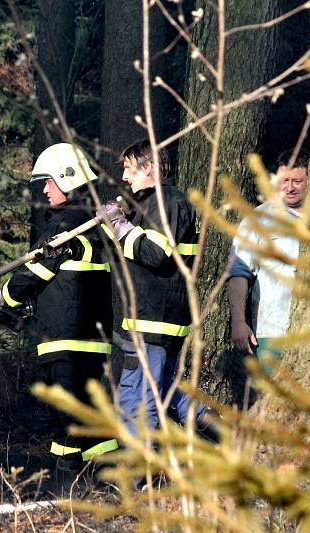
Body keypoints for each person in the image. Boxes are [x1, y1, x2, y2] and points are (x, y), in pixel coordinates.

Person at [0, 143, 117, 487]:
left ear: (67, 179)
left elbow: (35, 274)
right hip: (92, 344)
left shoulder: (65, 228)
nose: (45, 190)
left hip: (67, 343)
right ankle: (103, 485)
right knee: (85, 423)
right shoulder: (94, 227)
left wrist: (4, 295)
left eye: (49, 182)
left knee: (68, 425)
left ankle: (73, 493)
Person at [97, 139, 215, 449]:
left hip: (155, 321)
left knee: (138, 403)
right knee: (162, 391)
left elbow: (156, 253)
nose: (124, 177)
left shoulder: (169, 203)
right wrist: (112, 228)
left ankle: (143, 482)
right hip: (144, 320)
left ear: (149, 167)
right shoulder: (147, 205)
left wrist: (121, 227)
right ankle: (227, 436)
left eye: (128, 169)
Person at [227, 152, 308, 374]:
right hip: (272, 331)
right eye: (284, 181)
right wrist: (238, 322)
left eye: (297, 181)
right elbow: (238, 273)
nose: (290, 187)